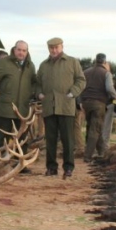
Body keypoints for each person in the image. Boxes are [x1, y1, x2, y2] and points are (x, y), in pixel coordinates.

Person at [36, 37, 86, 178]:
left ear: (62, 47)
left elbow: (81, 80)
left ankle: (68, 167)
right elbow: (37, 83)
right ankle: (51, 167)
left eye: (56, 47)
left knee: (68, 139)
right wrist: (39, 93)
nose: (54, 50)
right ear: (48, 49)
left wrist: (73, 93)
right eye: (51, 48)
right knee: (50, 139)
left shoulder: (72, 62)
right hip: (49, 106)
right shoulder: (43, 65)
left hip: (66, 106)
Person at [0, 41, 37, 149]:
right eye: (19, 50)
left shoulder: (30, 66)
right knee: (2, 138)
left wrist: (34, 93)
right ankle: (0, 163)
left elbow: (34, 82)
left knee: (22, 138)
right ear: (14, 50)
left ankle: (20, 165)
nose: (21, 53)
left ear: (27, 52)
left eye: (24, 50)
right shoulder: (4, 63)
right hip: (6, 108)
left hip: (23, 109)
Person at [81, 53, 116, 161]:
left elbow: (80, 86)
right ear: (105, 62)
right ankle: (87, 156)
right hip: (99, 103)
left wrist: (80, 101)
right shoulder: (106, 73)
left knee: (94, 126)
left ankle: (102, 152)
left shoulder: (85, 72)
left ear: (95, 60)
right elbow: (109, 88)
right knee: (95, 129)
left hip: (86, 103)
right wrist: (115, 96)